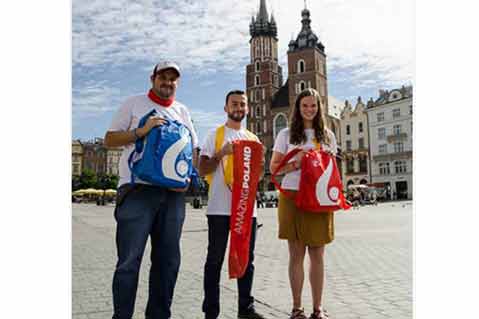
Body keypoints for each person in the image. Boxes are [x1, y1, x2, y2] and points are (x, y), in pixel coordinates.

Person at [104, 61, 199, 319]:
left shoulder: (182, 111)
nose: (167, 82)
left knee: (167, 263)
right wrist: (141, 131)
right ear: (152, 78)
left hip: (173, 197)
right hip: (138, 191)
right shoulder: (133, 104)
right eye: (163, 77)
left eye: (172, 79)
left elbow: (192, 149)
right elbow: (109, 139)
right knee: (129, 262)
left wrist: (189, 177)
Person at [270, 88, 338, 319]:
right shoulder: (286, 134)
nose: (309, 109)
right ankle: (297, 308)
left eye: (313, 106)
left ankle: (318, 309)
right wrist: (296, 163)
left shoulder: (328, 136)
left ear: (320, 108)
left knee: (317, 254)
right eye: (304, 106)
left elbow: (332, 170)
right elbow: (273, 169)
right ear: (297, 109)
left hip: (319, 197)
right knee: (296, 254)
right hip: (292, 195)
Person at [198, 90, 265, 319]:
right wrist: (221, 153)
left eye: (242, 104)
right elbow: (202, 169)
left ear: (247, 109)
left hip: (246, 209)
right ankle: (211, 311)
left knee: (247, 258)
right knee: (214, 260)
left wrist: (261, 165)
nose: (239, 108)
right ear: (225, 108)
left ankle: (245, 308)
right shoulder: (214, 135)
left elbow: (258, 176)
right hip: (219, 208)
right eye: (234, 104)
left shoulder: (253, 139)